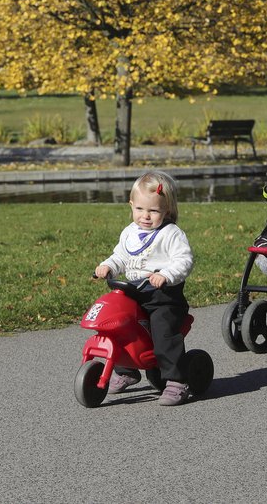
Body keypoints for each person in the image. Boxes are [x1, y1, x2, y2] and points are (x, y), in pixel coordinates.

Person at [94, 170, 194, 405]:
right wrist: (108, 266)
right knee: (119, 326)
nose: (145, 216)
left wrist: (166, 275)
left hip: (163, 296)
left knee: (163, 332)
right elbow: (120, 256)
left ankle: (177, 381)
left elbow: (184, 260)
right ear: (131, 205)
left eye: (153, 211)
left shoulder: (170, 234)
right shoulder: (129, 232)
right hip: (134, 292)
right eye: (140, 209)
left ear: (166, 210)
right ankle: (126, 370)